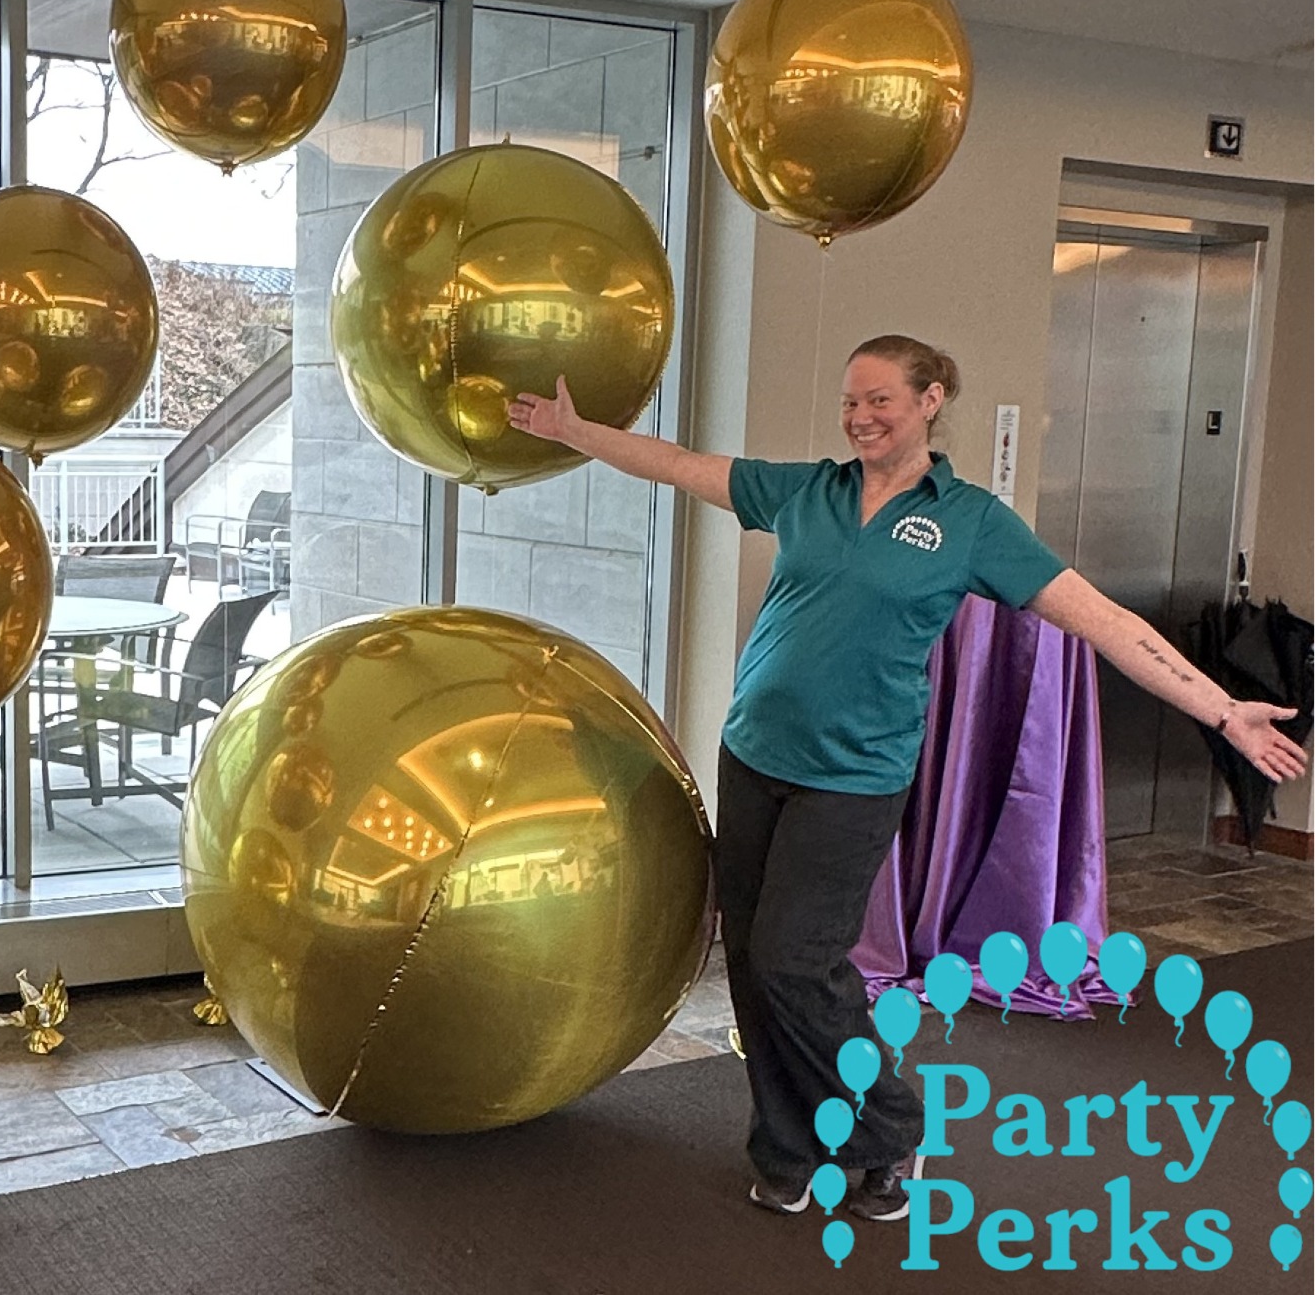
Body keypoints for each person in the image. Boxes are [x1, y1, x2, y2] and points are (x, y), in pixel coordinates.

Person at [508, 333, 1307, 1221]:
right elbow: (681, 464)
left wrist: (1222, 709)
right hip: (754, 754)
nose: (859, 417)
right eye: (851, 401)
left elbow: (1108, 622)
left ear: (930, 400)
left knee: (793, 958)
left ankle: (888, 1129)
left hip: (853, 777)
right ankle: (787, 1145)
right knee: (752, 960)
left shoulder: (969, 522)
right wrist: (576, 431)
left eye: (880, 399)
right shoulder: (810, 490)